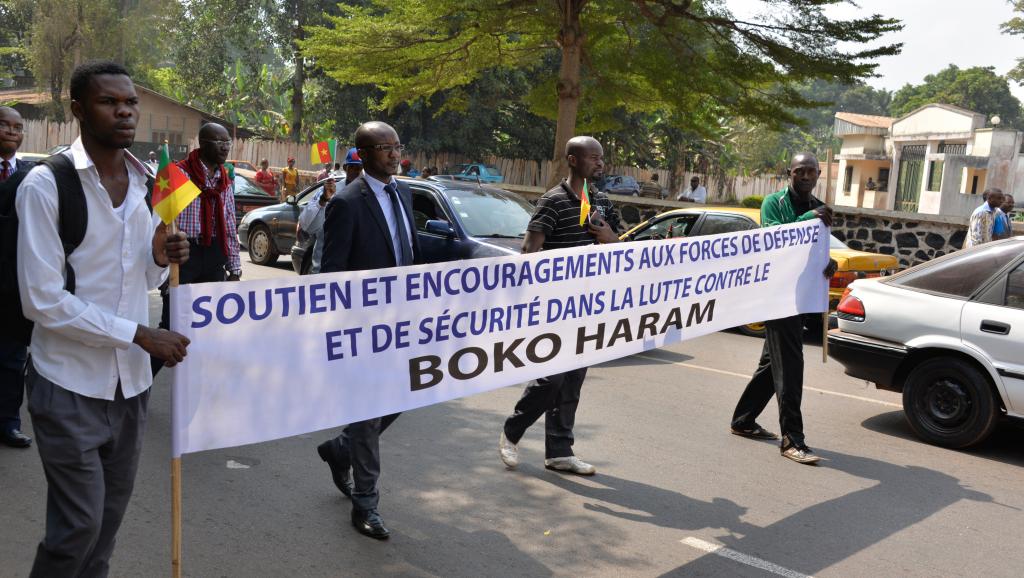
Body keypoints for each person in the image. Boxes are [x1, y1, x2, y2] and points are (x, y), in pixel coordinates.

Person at [16, 60, 190, 577]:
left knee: (106, 530)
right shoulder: (47, 186)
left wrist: (160, 257)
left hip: (130, 388)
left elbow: (142, 281)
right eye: (108, 102)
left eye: (130, 102)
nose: (124, 112)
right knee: (78, 529)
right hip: (67, 382)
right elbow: (42, 300)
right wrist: (140, 335)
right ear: (77, 110)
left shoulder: (147, 184)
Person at [315, 122, 420, 540]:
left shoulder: (404, 192)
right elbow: (333, 273)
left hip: (405, 321)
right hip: (364, 328)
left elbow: (406, 250)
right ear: (363, 152)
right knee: (368, 410)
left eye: (398, 146)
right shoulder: (347, 203)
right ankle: (366, 504)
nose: (395, 154)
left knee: (403, 395)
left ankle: (340, 450)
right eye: (385, 148)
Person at [498, 136, 621, 476]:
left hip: (589, 305)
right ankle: (512, 432)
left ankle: (560, 451)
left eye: (601, 158)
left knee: (572, 381)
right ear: (572, 160)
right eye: (593, 158)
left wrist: (609, 237)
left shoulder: (602, 202)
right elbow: (529, 252)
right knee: (550, 378)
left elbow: (620, 248)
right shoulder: (553, 201)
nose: (600, 164)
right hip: (553, 306)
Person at [729, 152, 837, 465]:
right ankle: (793, 439)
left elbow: (815, 248)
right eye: (799, 171)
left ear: (818, 174)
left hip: (801, 296)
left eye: (811, 172)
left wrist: (826, 263)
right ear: (788, 172)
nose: (805, 176)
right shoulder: (773, 203)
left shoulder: (817, 205)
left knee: (770, 365)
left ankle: (743, 420)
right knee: (791, 365)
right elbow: (776, 239)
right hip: (776, 297)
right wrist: (810, 218)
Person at [154, 122, 241, 374]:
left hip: (214, 255)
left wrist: (234, 269)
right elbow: (161, 224)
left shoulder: (224, 179)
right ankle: (139, 387)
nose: (225, 148)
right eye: (219, 142)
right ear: (202, 144)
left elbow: (229, 222)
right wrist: (164, 263)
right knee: (172, 328)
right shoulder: (180, 174)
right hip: (185, 255)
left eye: (228, 143)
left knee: (209, 330)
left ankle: (200, 389)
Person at [0, 106, 33, 448]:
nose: (12, 131)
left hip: (13, 285)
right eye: (4, 125)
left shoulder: (31, 175)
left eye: (18, 126)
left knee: (13, 359)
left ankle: (8, 421)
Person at [298, 147, 363, 274]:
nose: (357, 172)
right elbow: (306, 224)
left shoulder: (371, 195)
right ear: (345, 168)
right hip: (325, 270)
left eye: (361, 168)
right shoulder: (330, 190)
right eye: (353, 167)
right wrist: (323, 200)